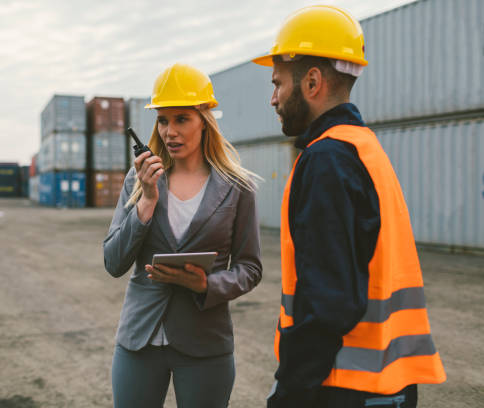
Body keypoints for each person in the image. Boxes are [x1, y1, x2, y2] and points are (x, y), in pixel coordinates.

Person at [251, 5, 446, 408]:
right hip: (387, 385)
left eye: (278, 84)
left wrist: (288, 393)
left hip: (342, 387)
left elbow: (328, 303)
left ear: (312, 81)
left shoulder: (327, 160)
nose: (273, 99)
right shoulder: (364, 147)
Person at [103, 62, 262, 408]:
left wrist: (206, 286)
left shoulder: (238, 188)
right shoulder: (139, 181)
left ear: (205, 120)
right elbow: (113, 262)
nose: (169, 132)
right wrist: (146, 200)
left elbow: (250, 268)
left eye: (181, 119)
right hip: (139, 341)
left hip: (205, 343)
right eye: (162, 120)